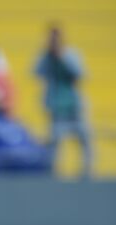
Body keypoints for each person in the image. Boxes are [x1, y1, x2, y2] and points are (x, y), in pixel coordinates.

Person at [35, 24, 91, 176]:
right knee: (54, 142)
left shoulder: (72, 54)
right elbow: (36, 73)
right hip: (56, 106)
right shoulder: (45, 57)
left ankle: (87, 174)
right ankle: (52, 174)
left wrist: (62, 57)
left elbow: (80, 74)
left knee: (84, 138)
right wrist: (49, 56)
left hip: (74, 105)